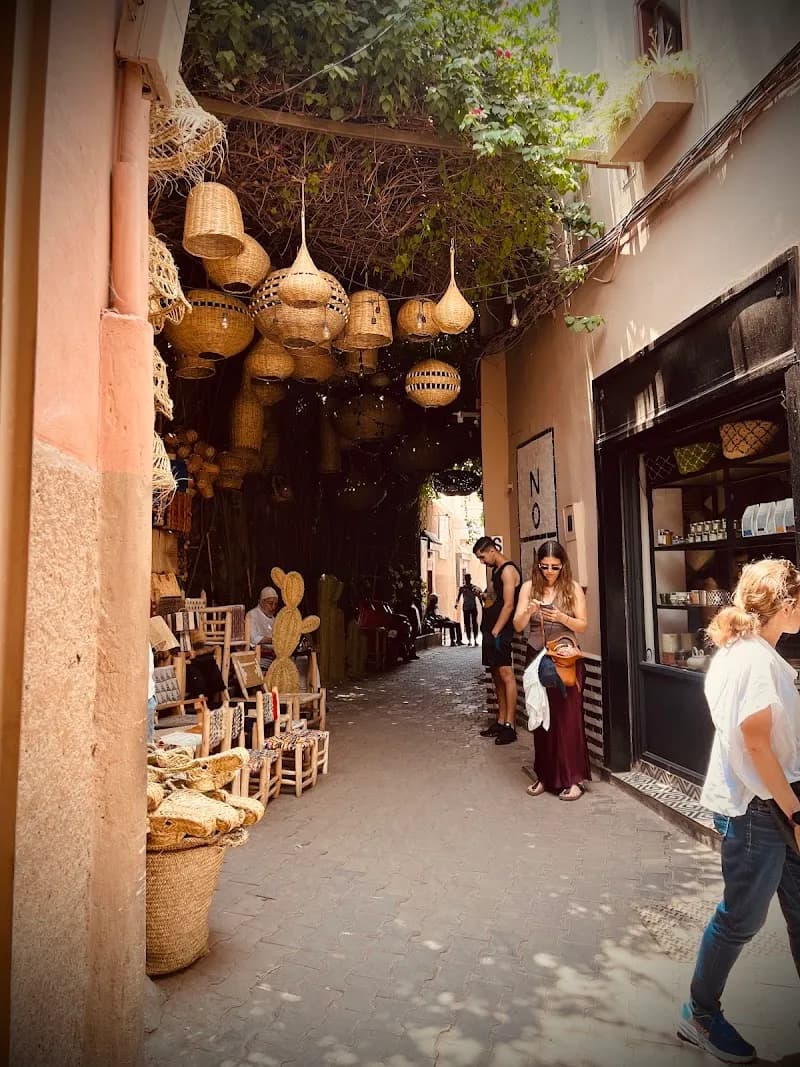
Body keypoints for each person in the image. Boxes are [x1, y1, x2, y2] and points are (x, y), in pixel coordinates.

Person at [677, 558, 800, 1064]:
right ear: (786, 604)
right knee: (741, 919)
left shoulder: (748, 652)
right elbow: (755, 743)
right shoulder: (751, 658)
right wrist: (794, 813)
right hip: (761, 810)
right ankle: (699, 1014)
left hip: (773, 803)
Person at [513, 539, 590, 798]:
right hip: (537, 658)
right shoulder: (528, 588)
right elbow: (517, 624)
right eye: (544, 566)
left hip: (565, 659)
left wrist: (561, 617)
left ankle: (573, 779)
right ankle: (544, 776)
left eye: (555, 567)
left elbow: (582, 625)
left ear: (563, 566)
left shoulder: (572, 588)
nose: (549, 572)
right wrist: (528, 611)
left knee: (567, 720)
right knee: (540, 718)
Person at [474, 536, 522, 744]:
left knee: (506, 674)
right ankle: (501, 721)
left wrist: (496, 630)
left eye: (482, 557)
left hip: (501, 631)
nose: (482, 561)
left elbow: (509, 604)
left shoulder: (509, 571)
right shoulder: (496, 571)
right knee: (495, 674)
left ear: (492, 550)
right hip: (491, 629)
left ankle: (510, 725)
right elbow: (498, 599)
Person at [247, 586, 280, 665]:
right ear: (261, 602)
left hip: (274, 658)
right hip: (258, 659)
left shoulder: (274, 619)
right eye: (270, 603)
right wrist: (275, 640)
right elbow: (254, 639)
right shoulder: (251, 615)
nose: (273, 607)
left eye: (275, 604)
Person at [455, 573, 483, 646]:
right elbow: (458, 597)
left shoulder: (474, 588)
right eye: (466, 578)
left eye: (468, 578)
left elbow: (479, 596)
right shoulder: (462, 588)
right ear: (465, 579)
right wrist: (456, 603)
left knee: (474, 624)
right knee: (467, 624)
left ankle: (475, 639)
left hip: (473, 607)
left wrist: (481, 604)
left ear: (470, 579)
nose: (467, 580)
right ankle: (470, 640)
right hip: (466, 608)